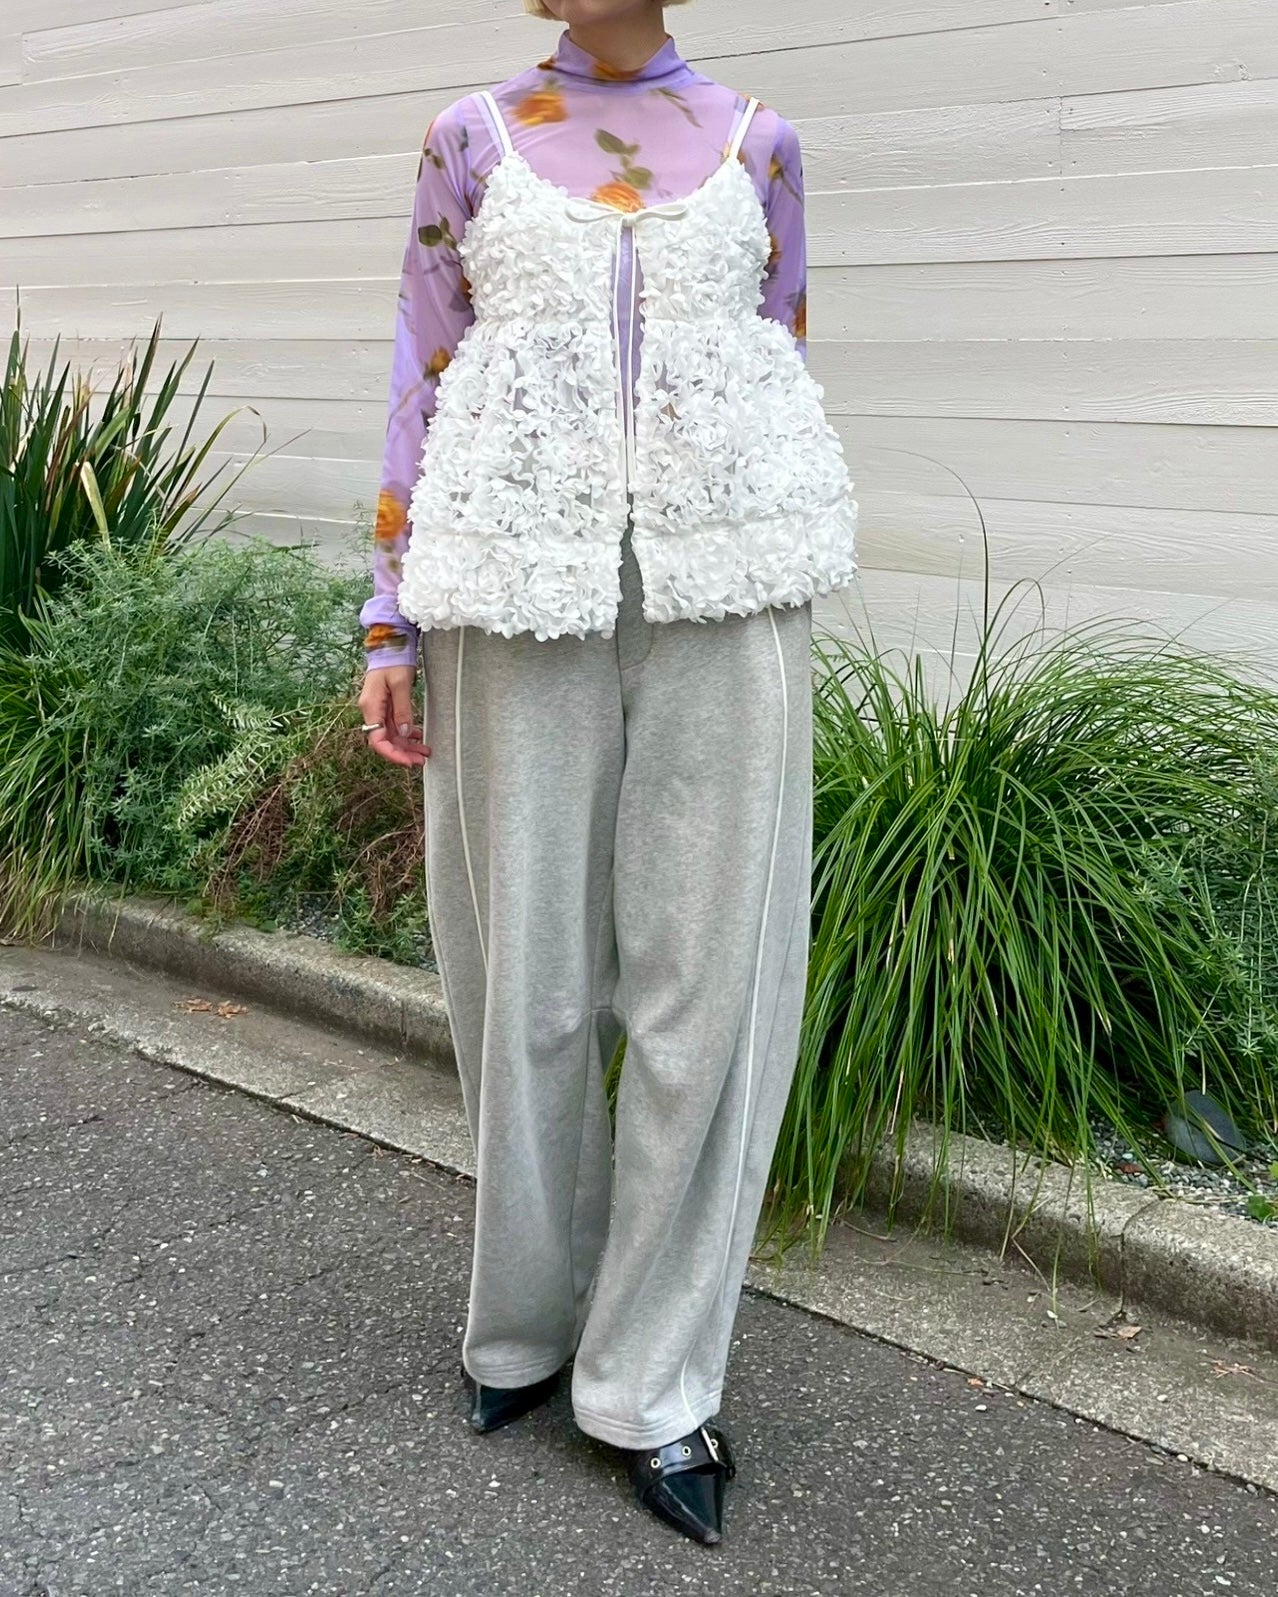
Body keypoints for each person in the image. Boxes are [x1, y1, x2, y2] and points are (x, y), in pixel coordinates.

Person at [356, 0, 857, 1548]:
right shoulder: (469, 140)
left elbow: (777, 366)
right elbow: (420, 366)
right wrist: (386, 616)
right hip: (514, 590)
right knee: (526, 980)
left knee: (711, 996)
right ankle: (522, 1324)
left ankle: (656, 1376)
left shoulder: (761, 145)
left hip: (725, 598)